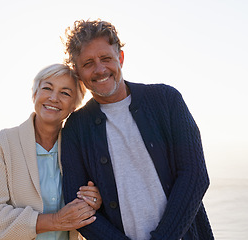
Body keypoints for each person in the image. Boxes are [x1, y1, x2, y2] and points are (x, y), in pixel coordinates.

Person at [60, 20, 214, 240]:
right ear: (77, 72)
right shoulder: (76, 127)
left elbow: (195, 175)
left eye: (106, 58)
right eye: (88, 63)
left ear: (120, 58)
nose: (100, 69)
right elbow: (79, 208)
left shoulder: (166, 100)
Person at [0, 63, 103, 240]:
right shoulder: (2, 144)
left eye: (65, 93)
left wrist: (95, 200)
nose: (53, 98)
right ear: (35, 94)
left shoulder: (80, 148)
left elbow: (95, 200)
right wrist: (55, 221)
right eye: (47, 88)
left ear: (74, 106)